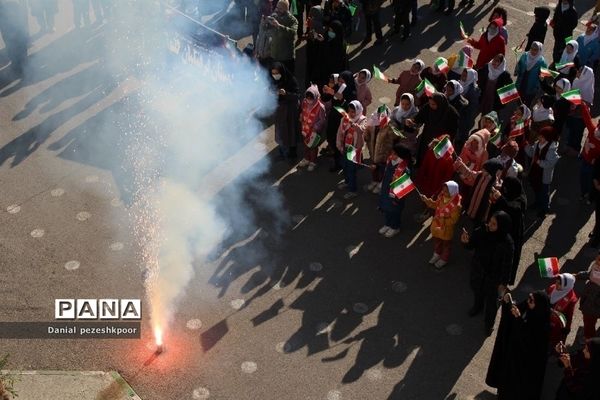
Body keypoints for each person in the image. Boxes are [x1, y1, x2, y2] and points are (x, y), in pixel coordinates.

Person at [486, 291, 551, 398]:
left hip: (523, 367)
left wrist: (518, 319)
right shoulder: (528, 307)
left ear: (539, 306)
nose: (528, 301)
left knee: (514, 389)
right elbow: (513, 313)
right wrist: (507, 304)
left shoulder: (542, 327)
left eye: (531, 300)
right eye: (529, 297)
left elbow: (529, 343)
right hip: (513, 356)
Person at [461, 211, 515, 335]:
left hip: (493, 278)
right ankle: (477, 306)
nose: (489, 225)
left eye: (494, 224)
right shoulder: (483, 230)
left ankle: (488, 324)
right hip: (478, 271)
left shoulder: (507, 243)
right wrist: (465, 242)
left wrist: (503, 283)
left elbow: (507, 265)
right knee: (477, 291)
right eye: (490, 222)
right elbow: (471, 244)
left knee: (491, 303)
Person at [489, 176, 525, 285]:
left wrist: (500, 199)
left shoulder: (521, 200)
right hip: (500, 231)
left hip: (512, 234)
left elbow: (514, 209)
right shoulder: (509, 194)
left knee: (506, 261)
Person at [406, 93, 459, 166]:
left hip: (439, 142)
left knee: (433, 162)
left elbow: (452, 133)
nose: (431, 106)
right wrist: (412, 121)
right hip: (427, 136)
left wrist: (441, 141)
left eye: (433, 104)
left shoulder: (452, 113)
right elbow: (419, 117)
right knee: (423, 155)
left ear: (440, 103)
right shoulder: (428, 107)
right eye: (430, 103)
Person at [420, 181, 462, 269]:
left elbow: (453, 220)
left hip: (446, 229)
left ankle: (444, 259)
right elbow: (435, 205)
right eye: (443, 190)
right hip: (436, 226)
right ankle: (437, 254)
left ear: (452, 191)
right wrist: (427, 200)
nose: (443, 192)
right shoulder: (441, 197)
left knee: (446, 245)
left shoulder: (456, 206)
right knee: (437, 242)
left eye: (446, 191)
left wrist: (442, 220)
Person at [323, 71, 357, 171]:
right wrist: (326, 91)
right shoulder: (337, 87)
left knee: (340, 140)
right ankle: (334, 156)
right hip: (333, 116)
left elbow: (352, 109)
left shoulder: (352, 92)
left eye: (343, 81)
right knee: (331, 136)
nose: (341, 83)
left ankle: (340, 163)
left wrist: (343, 100)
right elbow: (327, 98)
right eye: (340, 81)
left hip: (343, 120)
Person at [378, 144, 413, 237]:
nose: (391, 155)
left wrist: (397, 200)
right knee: (387, 209)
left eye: (394, 154)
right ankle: (388, 224)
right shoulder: (390, 161)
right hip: (386, 191)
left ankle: (395, 227)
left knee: (395, 211)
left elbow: (404, 188)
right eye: (391, 153)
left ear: (400, 156)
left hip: (396, 196)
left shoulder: (405, 170)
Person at [526, 126, 560, 217]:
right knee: (537, 189)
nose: (539, 138)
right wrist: (527, 146)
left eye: (542, 137)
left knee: (544, 193)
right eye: (539, 136)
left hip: (544, 176)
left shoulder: (552, 150)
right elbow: (531, 153)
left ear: (548, 138)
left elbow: (550, 164)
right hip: (535, 173)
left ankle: (544, 208)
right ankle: (537, 203)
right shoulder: (538, 144)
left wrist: (539, 162)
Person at [337, 100, 367, 199]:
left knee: (351, 170)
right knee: (344, 166)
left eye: (353, 111)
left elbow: (362, 130)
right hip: (345, 148)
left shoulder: (363, 120)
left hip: (354, 150)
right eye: (349, 111)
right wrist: (339, 145)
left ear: (358, 111)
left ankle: (352, 190)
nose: (351, 113)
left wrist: (356, 127)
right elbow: (340, 132)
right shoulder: (345, 119)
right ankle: (347, 182)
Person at [461, 159, 504, 225]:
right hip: (473, 200)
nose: (483, 170)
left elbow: (495, 193)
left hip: (481, 206)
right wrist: (461, 164)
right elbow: (470, 173)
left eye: (485, 169)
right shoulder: (480, 174)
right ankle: (468, 215)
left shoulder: (494, 182)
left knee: (476, 219)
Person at [271, 62, 300, 160]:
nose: (275, 76)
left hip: (290, 111)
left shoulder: (291, 81)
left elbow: (296, 96)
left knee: (291, 131)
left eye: (277, 73)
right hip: (280, 111)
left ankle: (292, 154)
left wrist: (286, 93)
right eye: (273, 73)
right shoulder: (274, 81)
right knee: (281, 132)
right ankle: (282, 153)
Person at [364, 104, 393, 194]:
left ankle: (381, 184)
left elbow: (391, 142)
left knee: (382, 169)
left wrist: (387, 153)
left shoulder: (389, 126)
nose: (380, 118)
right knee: (374, 168)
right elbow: (367, 136)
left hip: (383, 154)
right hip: (373, 151)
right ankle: (375, 181)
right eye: (379, 115)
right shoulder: (372, 123)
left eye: (383, 116)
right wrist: (366, 134)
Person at [547, 273, 579, 352]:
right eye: (556, 282)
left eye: (559, 284)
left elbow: (569, 315)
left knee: (553, 339)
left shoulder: (571, 299)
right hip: (546, 318)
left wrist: (566, 328)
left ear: (566, 286)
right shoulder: (552, 288)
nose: (556, 285)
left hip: (556, 324)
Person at [298, 85, 327, 171]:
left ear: (316, 97)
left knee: (313, 147)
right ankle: (307, 159)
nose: (309, 99)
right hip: (305, 129)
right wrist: (301, 117)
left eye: (311, 98)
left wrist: (315, 127)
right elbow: (302, 111)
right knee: (306, 145)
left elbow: (322, 120)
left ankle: (313, 161)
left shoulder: (321, 107)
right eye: (307, 97)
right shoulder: (304, 102)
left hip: (314, 131)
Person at [268, 1, 298, 73]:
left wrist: (278, 26)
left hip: (286, 58)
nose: (276, 10)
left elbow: (292, 33)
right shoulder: (275, 16)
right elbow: (267, 31)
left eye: (279, 8)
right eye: (277, 7)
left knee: (287, 79)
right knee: (274, 79)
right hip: (274, 55)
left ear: (285, 9)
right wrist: (264, 23)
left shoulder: (292, 20)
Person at [0, 0, 29, 76]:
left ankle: (22, 63)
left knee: (20, 34)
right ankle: (17, 64)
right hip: (4, 8)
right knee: (9, 38)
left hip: (15, 6)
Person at [514, 41, 546, 107]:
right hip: (521, 82)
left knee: (528, 101)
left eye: (535, 50)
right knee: (519, 98)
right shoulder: (525, 55)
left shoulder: (542, 62)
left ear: (539, 50)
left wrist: (541, 79)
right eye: (532, 48)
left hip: (532, 86)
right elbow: (519, 64)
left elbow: (544, 75)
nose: (533, 51)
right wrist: (517, 69)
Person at [576, 252, 600, 340]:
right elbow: (591, 274)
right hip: (589, 300)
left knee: (589, 324)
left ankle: (589, 343)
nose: (596, 261)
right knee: (588, 322)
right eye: (597, 257)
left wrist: (590, 307)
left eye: (599, 259)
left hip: (593, 306)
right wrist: (578, 275)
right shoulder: (597, 265)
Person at [579, 103, 600, 204]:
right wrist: (581, 104)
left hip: (593, 164)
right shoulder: (593, 130)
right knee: (583, 177)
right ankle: (584, 193)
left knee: (592, 180)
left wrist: (595, 160)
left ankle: (590, 196)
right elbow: (586, 116)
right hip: (585, 159)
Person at [456, 68, 480, 152]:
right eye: (463, 73)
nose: (463, 75)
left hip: (465, 117)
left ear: (470, 77)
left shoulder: (473, 91)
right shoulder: (459, 83)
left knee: (460, 136)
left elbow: (471, 108)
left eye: (466, 75)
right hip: (458, 114)